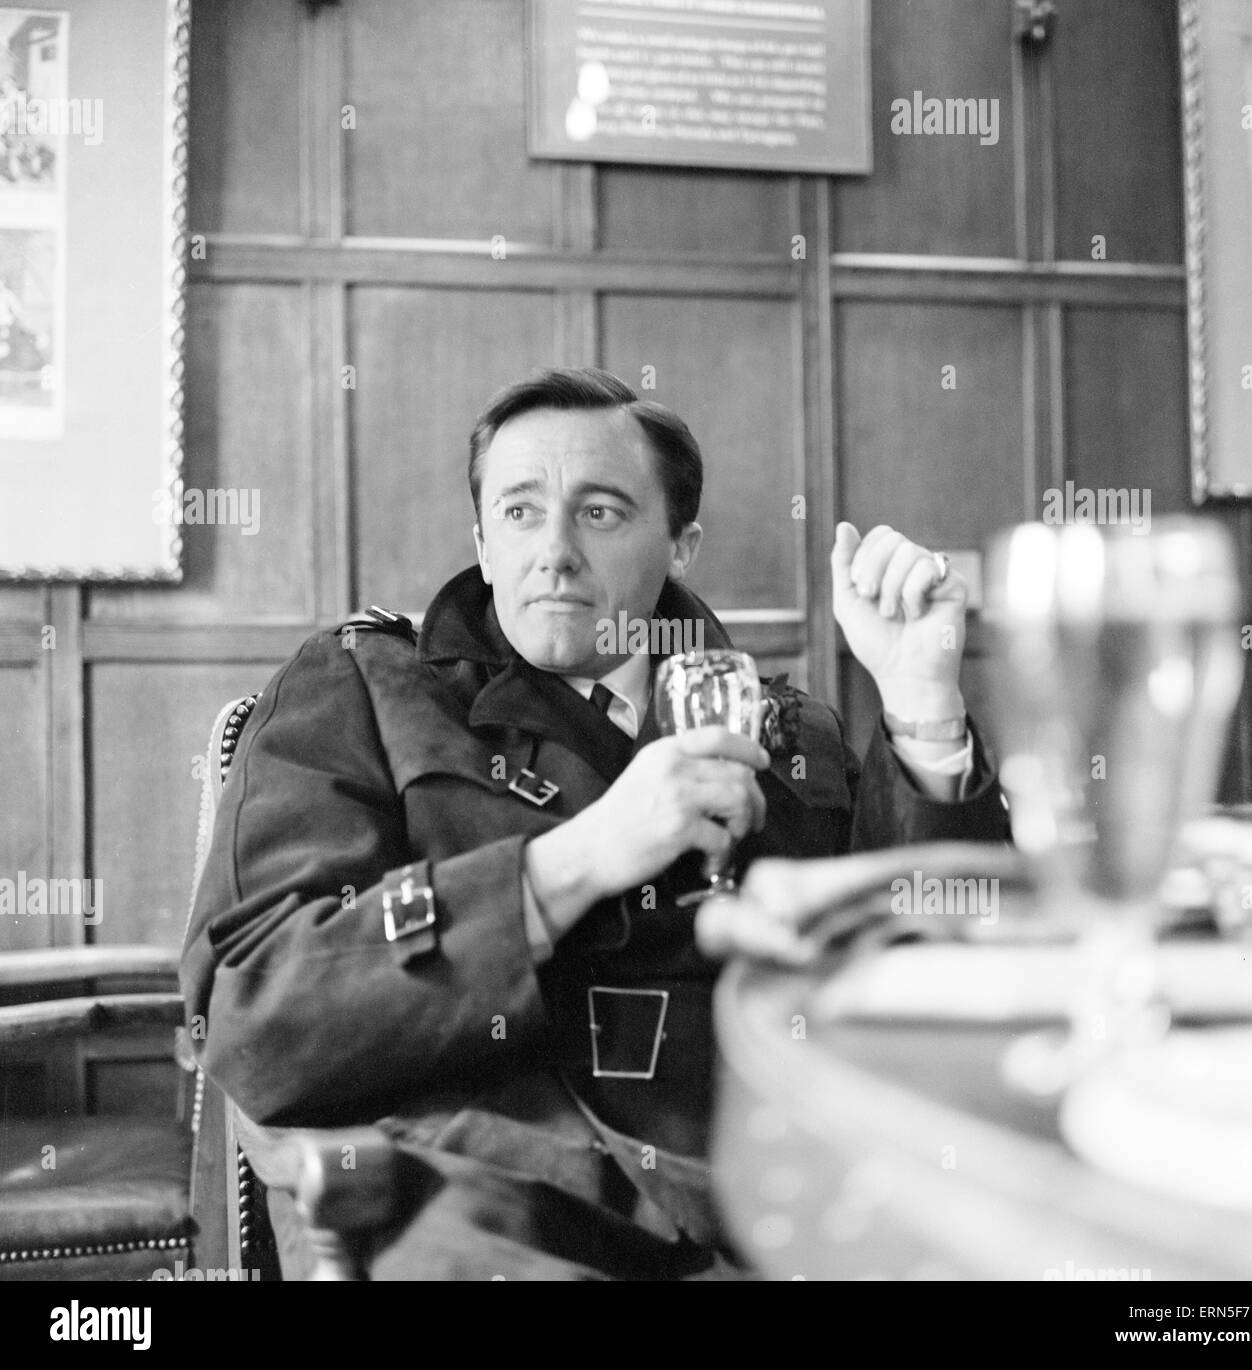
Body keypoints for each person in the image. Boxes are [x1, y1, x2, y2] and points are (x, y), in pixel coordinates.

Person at [181, 366, 1010, 1280]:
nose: (556, 553)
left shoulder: (789, 728)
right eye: (521, 513)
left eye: (602, 513)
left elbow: (938, 992)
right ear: (483, 542)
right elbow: (258, 1009)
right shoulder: (362, 689)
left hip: (792, 1205)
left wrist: (921, 704)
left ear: (681, 543)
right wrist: (574, 862)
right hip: (495, 1207)